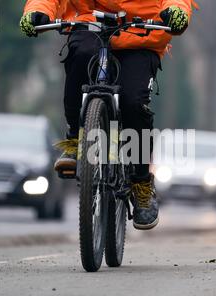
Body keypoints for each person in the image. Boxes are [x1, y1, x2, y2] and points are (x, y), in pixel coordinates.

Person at [20, 0, 197, 230]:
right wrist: (37, 11)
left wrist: (177, 11)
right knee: (80, 59)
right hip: (91, 28)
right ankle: (76, 139)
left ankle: (141, 183)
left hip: (141, 35)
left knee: (134, 103)